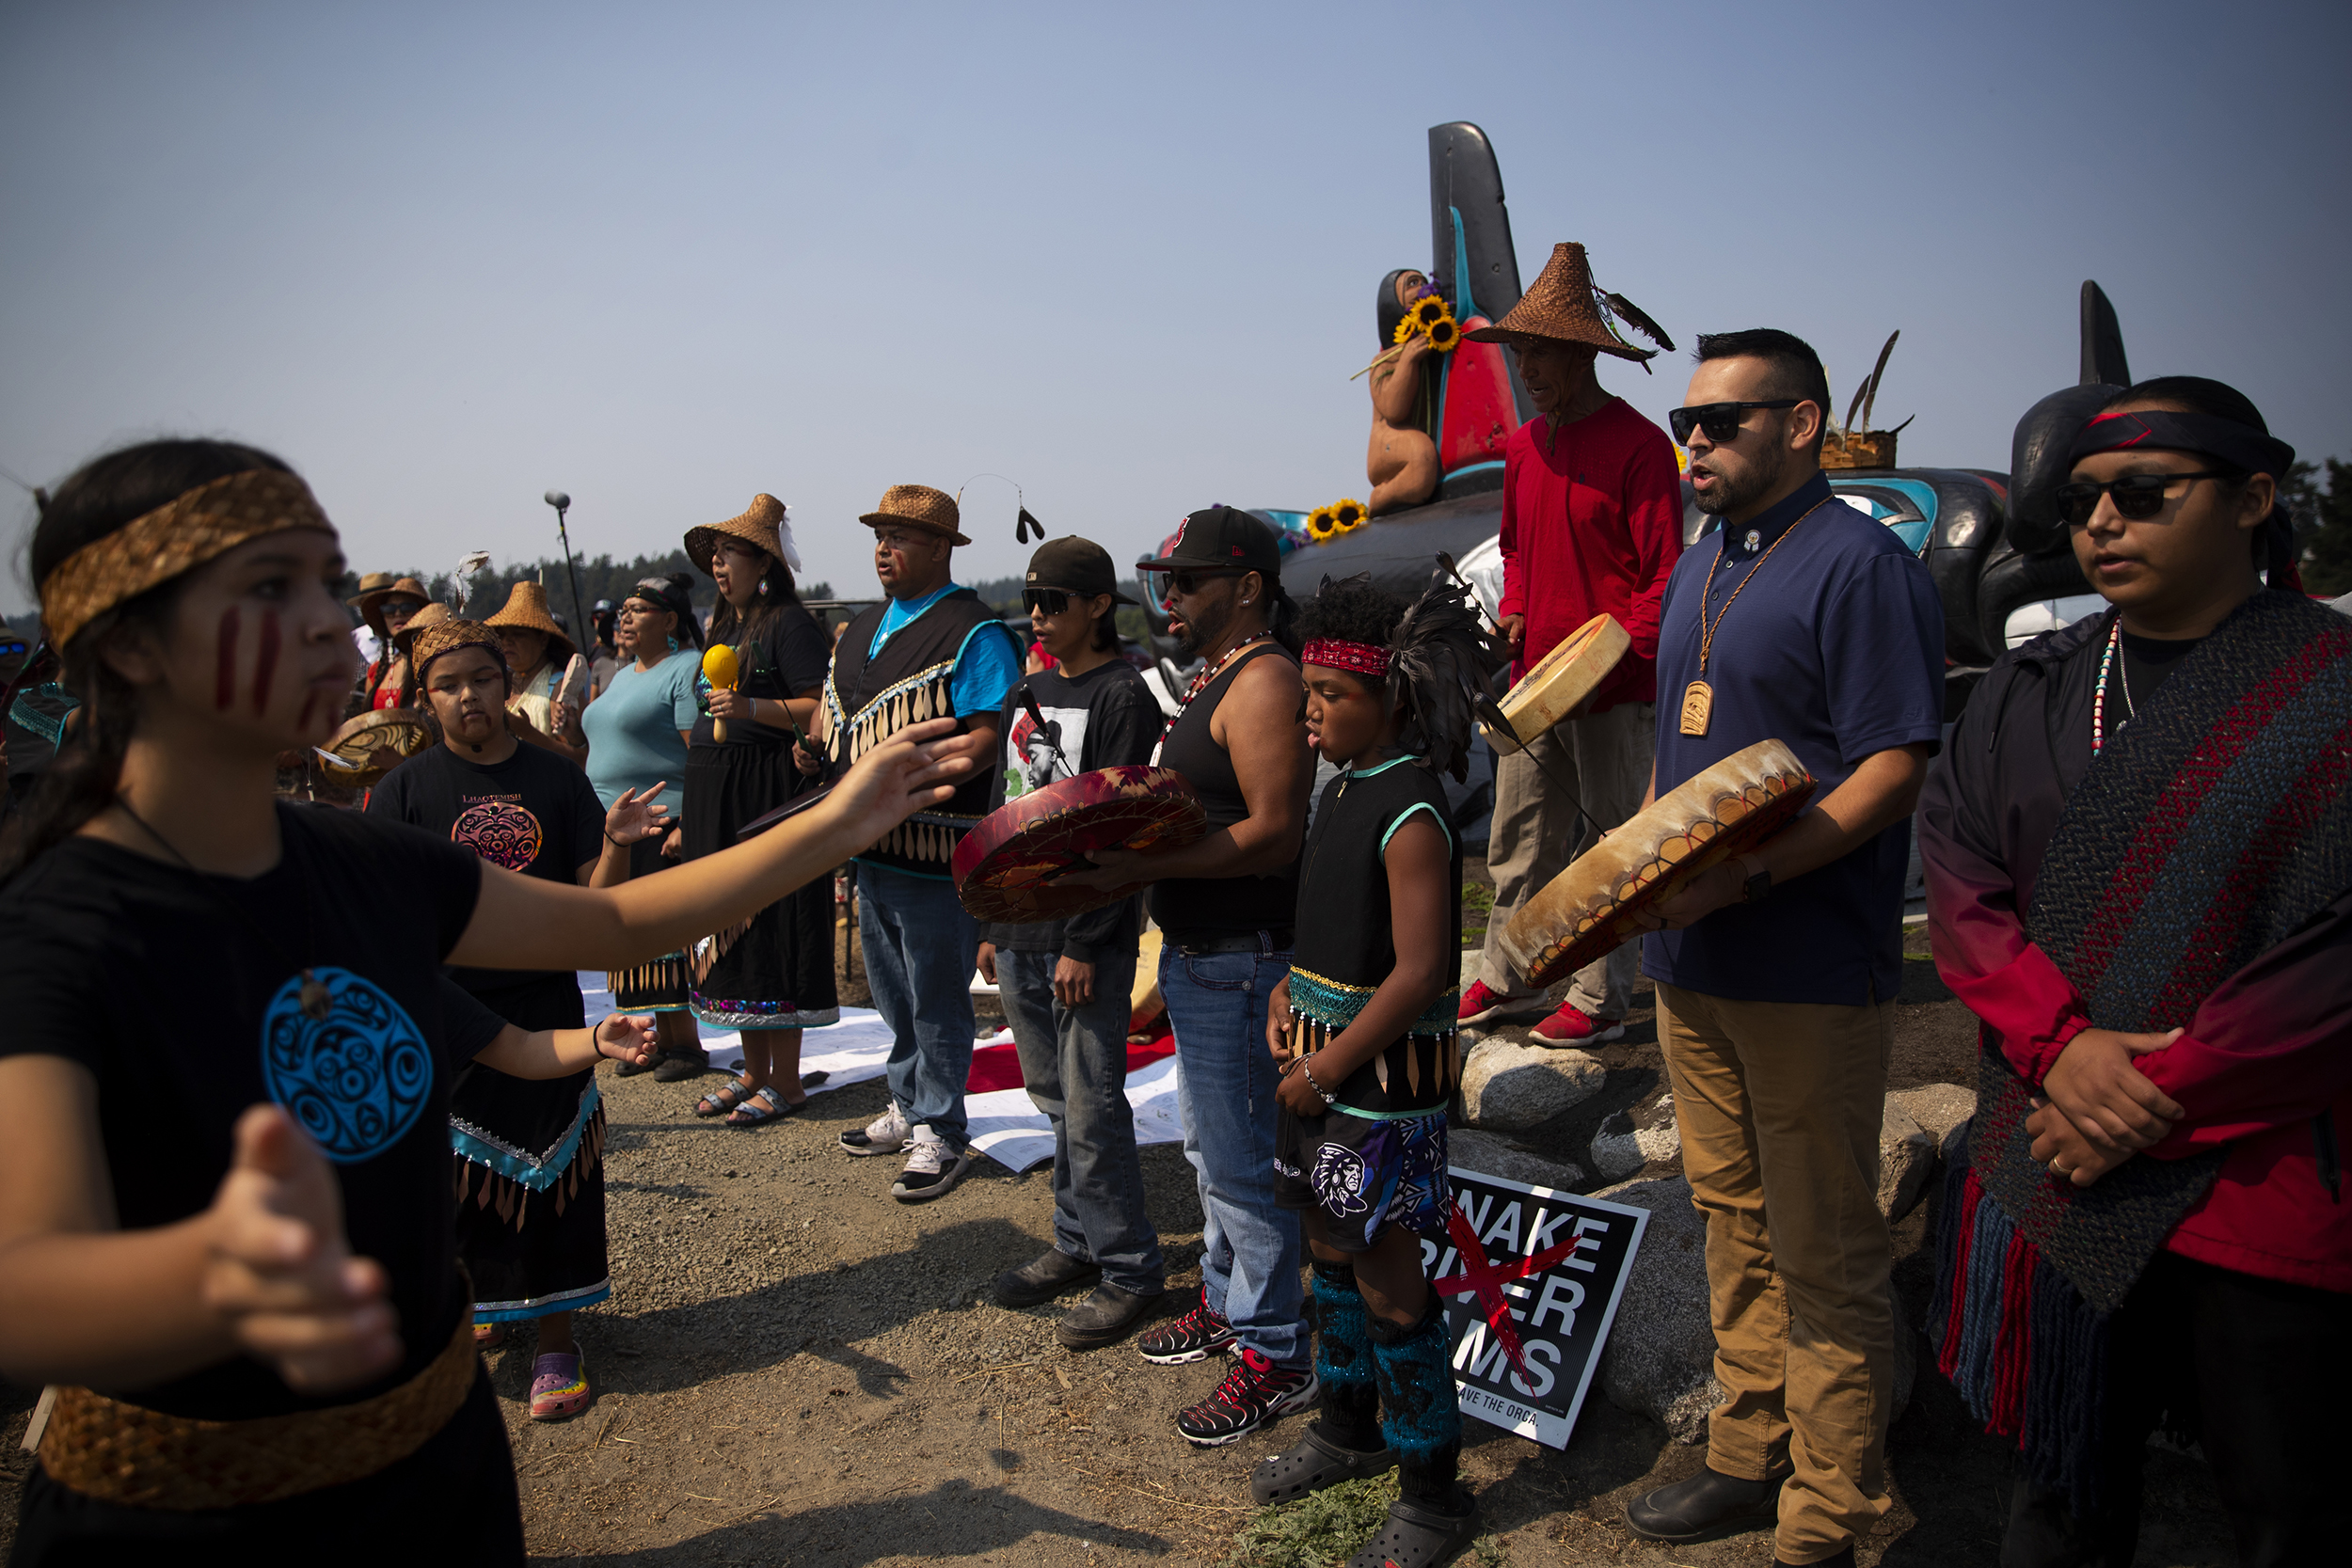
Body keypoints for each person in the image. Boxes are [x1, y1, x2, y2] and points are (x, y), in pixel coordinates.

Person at [0, 436, 986, 1559]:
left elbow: (619, 921)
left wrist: (843, 819)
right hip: (175, 1521)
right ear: (127, 645)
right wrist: (204, 1271)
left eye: (328, 581)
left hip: (434, 1470)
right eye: (271, 589)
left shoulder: (361, 861)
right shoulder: (62, 919)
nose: (333, 621)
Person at [1918, 377, 2350, 1567]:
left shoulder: (2333, 687)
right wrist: (2063, 1052)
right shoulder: (2033, 685)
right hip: (2058, 1148)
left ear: (2254, 497)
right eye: (2084, 500)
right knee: (2055, 1484)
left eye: (2143, 495)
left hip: (2258, 1170)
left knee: (2288, 1499)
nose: (2101, 523)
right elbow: (1958, 876)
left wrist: (2161, 1093)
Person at [1613, 331, 1945, 1568]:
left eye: (1723, 420)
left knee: (1825, 1242)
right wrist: (1638, 876)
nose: (1693, 439)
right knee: (1729, 1214)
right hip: (1689, 963)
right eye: (1687, 421)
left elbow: (1893, 770)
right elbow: (1674, 749)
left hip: (1805, 961)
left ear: (1801, 423)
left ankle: (1829, 1506)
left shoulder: (1864, 567)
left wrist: (1745, 872)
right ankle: (1746, 1451)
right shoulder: (1703, 561)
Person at [368, 617, 672, 1421]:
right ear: (428, 698)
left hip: (544, 1001)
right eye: (448, 684)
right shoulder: (404, 790)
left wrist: (614, 840)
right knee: (458, 1183)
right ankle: (484, 1311)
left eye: (481, 678)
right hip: (449, 1010)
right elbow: (389, 915)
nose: (468, 695)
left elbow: (593, 904)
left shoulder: (556, 778)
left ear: (506, 685)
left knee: (554, 1177)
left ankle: (556, 1339)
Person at [1253, 574, 1497, 1566]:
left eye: (1328, 695)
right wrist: (1284, 992)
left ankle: (1432, 1485)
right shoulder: (1343, 788)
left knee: (1394, 1279)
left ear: (1391, 694)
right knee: (1329, 1248)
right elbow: (1333, 934)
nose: (1308, 712)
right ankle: (1347, 1426)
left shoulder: (1412, 811)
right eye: (1305, 692)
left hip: (1375, 1091)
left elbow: (1422, 969)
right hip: (1319, 1072)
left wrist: (1329, 1066)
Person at [1073, 505, 1316, 1444]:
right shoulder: (1224, 677)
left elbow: (1273, 830)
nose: (1170, 598)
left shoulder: (1262, 681)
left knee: (1246, 1160)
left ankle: (1275, 1352)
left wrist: (1142, 867)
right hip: (1204, 955)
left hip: (1243, 955)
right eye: (1164, 582)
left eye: (1189, 581)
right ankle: (1229, 1301)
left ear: (1248, 586)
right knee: (1212, 1153)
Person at [1456, 241, 1684, 1048]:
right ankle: (1506, 971)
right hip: (1533, 680)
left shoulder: (1643, 447)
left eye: (1538, 350)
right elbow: (1515, 550)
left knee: (1611, 839)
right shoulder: (1523, 448)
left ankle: (1601, 995)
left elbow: (1664, 576)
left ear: (1583, 353)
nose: (1524, 367)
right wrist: (1515, 609)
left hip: (1614, 684)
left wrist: (1617, 660)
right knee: (1514, 837)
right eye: (1518, 350)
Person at [977, 537, 1168, 1347]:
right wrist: (991, 921)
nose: (1039, 615)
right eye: (1032, 600)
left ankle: (1130, 1268)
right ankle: (1076, 1242)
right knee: (1054, 1100)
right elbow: (1004, 807)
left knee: (1092, 1107)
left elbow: (1124, 831)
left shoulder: (1126, 695)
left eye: (1054, 600)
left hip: (1084, 933)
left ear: (1099, 604)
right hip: (1020, 926)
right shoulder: (1028, 687)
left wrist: (1088, 941)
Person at [811, 483, 1021, 1201]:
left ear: (941, 547)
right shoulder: (863, 626)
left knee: (936, 996)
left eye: (900, 536)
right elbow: (832, 722)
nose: (884, 547)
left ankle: (944, 1128)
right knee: (892, 992)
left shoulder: (974, 630)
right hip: (872, 847)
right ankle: (908, 1102)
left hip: (937, 850)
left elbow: (989, 740)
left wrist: (910, 778)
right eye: (880, 534)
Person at [682, 496, 837, 1120]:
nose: (719, 564)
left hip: (766, 790)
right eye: (714, 555)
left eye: (731, 553)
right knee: (727, 921)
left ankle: (789, 1079)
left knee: (771, 922)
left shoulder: (789, 624)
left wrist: (750, 710)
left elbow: (815, 705)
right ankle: (751, 1068)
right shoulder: (722, 625)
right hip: (715, 792)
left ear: (763, 562)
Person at [580, 573, 707, 1081]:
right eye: (624, 608)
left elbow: (699, 754)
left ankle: (686, 1045)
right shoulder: (623, 673)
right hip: (617, 827)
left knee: (664, 932)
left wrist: (690, 823)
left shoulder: (685, 668)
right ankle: (651, 1038)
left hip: (661, 819)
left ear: (671, 621)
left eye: (640, 609)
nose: (625, 617)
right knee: (629, 930)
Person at [484, 579, 588, 765]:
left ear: (542, 640)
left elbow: (580, 759)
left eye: (517, 634)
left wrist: (527, 733)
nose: (507, 641)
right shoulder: (502, 683)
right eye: (502, 635)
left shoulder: (561, 687)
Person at [1366, 269, 1442, 515]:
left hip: (1418, 436)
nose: (1421, 289)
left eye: (1424, 282)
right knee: (1421, 455)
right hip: (1387, 446)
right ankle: (1381, 497)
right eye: (1411, 283)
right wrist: (1408, 359)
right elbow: (1394, 409)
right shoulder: (1382, 360)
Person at [348, 573, 430, 715]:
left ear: (421, 611)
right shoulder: (376, 672)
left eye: (407, 608)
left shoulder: (433, 664)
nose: (398, 614)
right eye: (389, 610)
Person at [586, 598, 620, 701]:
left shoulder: (622, 650)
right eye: (596, 616)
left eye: (605, 616)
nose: (600, 620)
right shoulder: (595, 650)